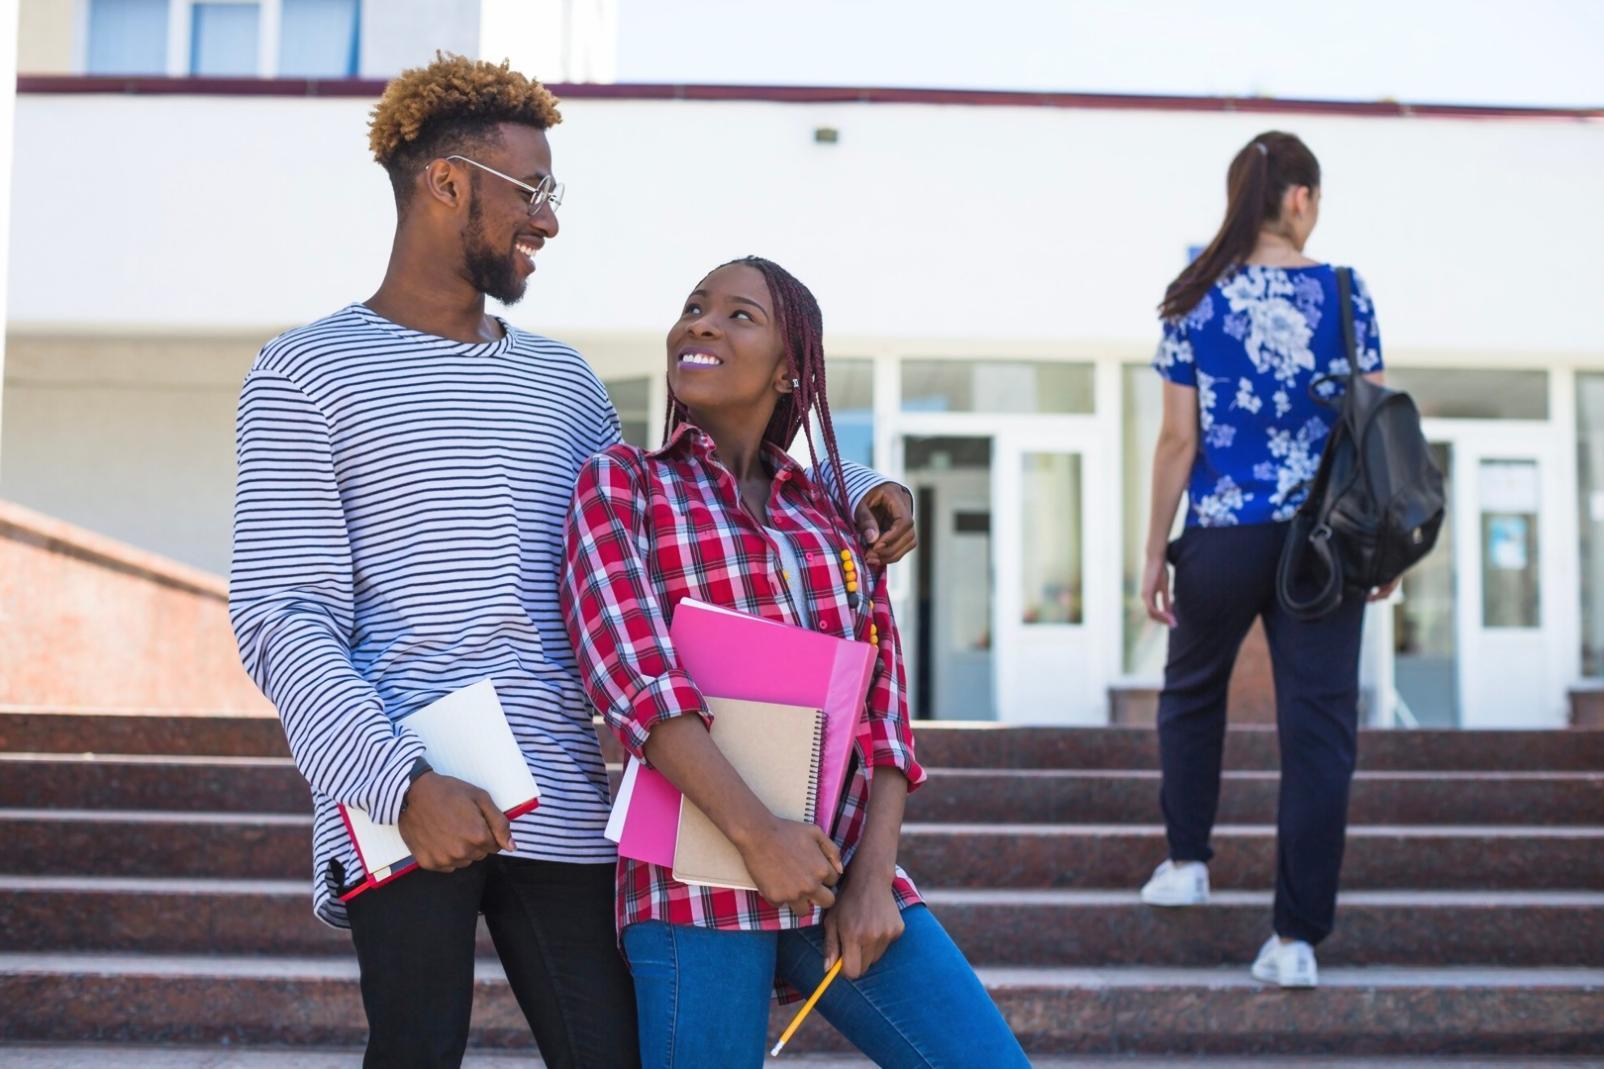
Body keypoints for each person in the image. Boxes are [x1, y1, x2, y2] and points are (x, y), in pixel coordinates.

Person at [228, 56, 915, 1068]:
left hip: (559, 785)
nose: (548, 221)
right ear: (448, 183)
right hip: (399, 784)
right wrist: (398, 782)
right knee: (415, 1051)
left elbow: (682, 477)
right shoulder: (303, 372)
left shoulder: (561, 383)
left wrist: (849, 482)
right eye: (533, 191)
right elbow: (282, 615)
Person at [561, 256, 1030, 1067]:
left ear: (790, 368)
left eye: (739, 315)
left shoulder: (834, 514)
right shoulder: (624, 483)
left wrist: (875, 875)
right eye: (694, 306)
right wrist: (758, 836)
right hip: (693, 868)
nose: (700, 323)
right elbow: (633, 677)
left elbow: (883, 707)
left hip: (835, 861)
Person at [1137, 131, 1392, 989]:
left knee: (1192, 691)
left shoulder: (1194, 297)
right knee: (1320, 733)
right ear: (1300, 199)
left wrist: (1152, 551)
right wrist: (1380, 538)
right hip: (1325, 542)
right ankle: (1295, 941)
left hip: (1222, 529)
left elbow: (1178, 441)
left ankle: (1187, 861)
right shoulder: (1348, 295)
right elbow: (1375, 427)